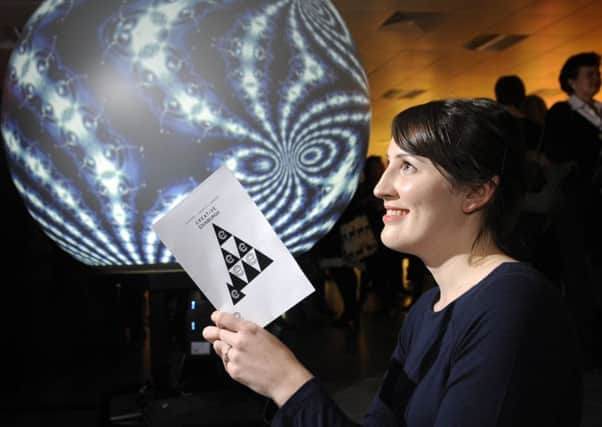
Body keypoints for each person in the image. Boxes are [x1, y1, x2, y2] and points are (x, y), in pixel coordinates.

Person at [203, 99, 583, 426]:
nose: (381, 187)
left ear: (476, 192)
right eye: (388, 164)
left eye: (408, 167)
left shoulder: (512, 304)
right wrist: (273, 378)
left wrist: (289, 382)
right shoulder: (425, 311)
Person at [540, 51, 602, 369]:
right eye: (589, 74)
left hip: (595, 204)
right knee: (580, 275)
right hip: (577, 207)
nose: (595, 79)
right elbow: (557, 154)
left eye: (596, 73)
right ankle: (587, 344)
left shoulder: (599, 111)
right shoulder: (562, 113)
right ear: (571, 81)